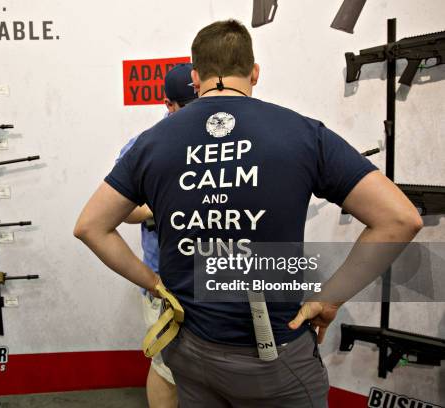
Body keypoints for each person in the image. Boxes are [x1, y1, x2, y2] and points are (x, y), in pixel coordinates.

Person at [74, 19, 422, 407]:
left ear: (195, 76)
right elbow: (400, 218)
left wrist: (155, 283)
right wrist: (330, 299)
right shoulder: (301, 133)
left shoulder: (153, 142)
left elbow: (91, 226)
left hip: (188, 349)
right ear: (255, 72)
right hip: (272, 357)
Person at [117, 63, 197, 408]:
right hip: (165, 283)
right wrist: (158, 207)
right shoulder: (143, 147)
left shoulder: (225, 140)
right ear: (169, 104)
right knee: (167, 369)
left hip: (217, 276)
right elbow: (118, 212)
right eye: (187, 107)